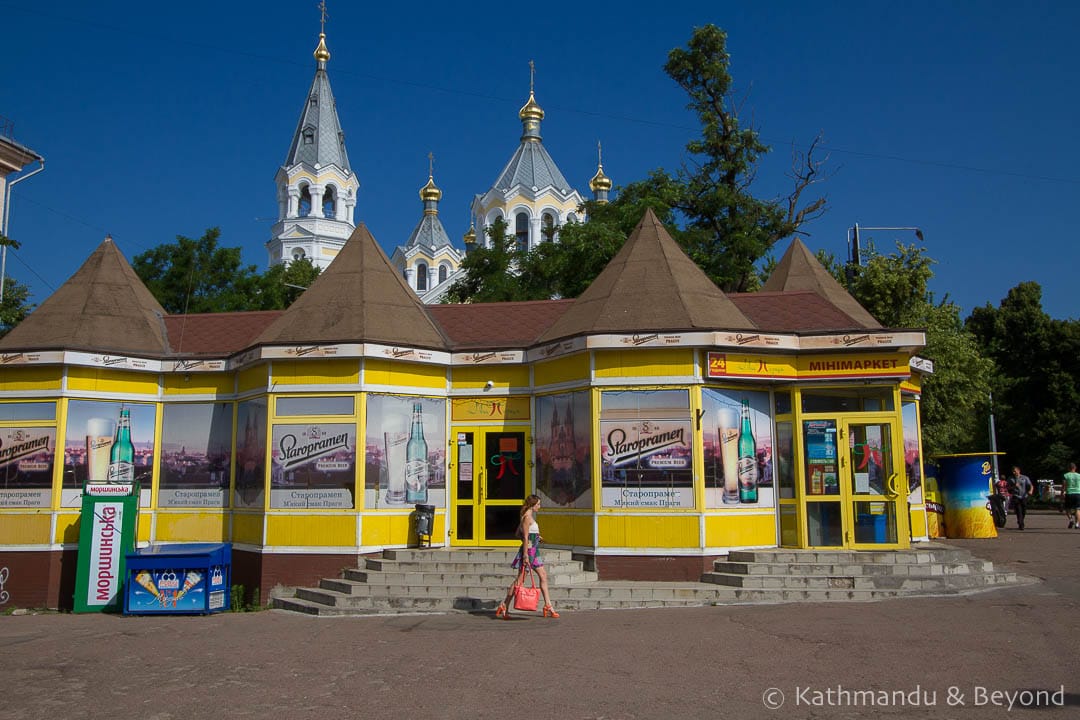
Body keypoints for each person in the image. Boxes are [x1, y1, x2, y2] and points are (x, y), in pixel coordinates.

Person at [495, 494, 559, 619]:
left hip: (535, 551)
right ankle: (504, 605)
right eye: (538, 504)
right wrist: (525, 555)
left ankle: (548, 605)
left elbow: (522, 533)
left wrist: (536, 537)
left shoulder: (529, 517)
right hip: (529, 552)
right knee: (520, 580)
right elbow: (523, 536)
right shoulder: (527, 518)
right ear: (532, 505)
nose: (539, 507)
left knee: (543, 576)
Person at [1007, 466, 1034, 530]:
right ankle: (1021, 523)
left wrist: (1030, 491)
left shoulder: (1025, 478)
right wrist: (1013, 486)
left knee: (1024, 510)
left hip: (1024, 496)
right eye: (1013, 471)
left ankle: (1021, 520)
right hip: (1016, 496)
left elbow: (1031, 485)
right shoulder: (1010, 478)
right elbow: (1007, 488)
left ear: (1019, 471)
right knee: (1018, 510)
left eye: (1015, 471)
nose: (1014, 472)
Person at [1063, 463, 1080, 529]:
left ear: (1068, 468)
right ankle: (1077, 524)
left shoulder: (1066, 475)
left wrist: (1062, 494)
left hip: (1069, 493)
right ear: (1075, 468)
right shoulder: (1079, 475)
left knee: (1067, 508)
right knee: (1077, 509)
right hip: (1078, 493)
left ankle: (1071, 520)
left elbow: (1064, 485)